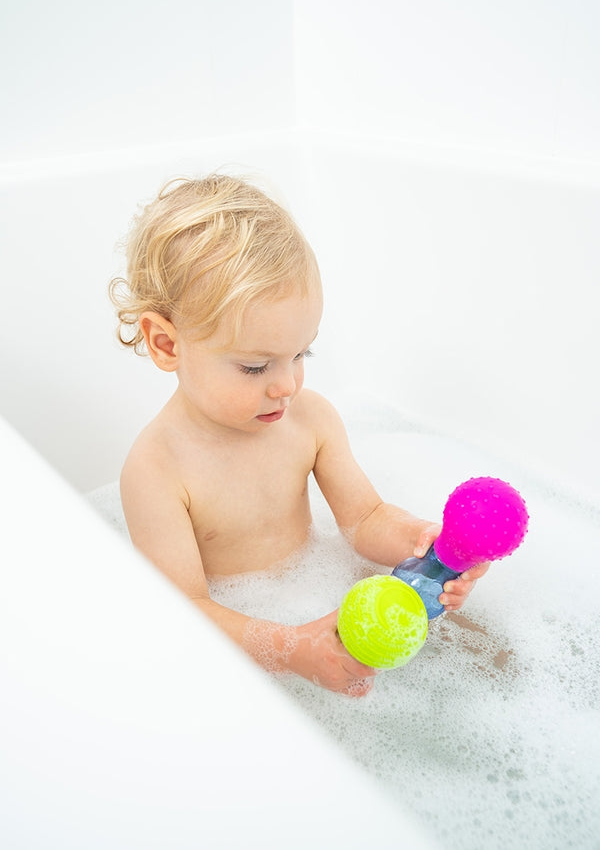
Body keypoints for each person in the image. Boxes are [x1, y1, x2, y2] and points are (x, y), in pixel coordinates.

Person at [109, 174, 488, 697]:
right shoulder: (157, 470)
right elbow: (186, 612)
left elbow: (364, 520)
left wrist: (430, 547)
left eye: (300, 354)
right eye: (255, 367)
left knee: (487, 650)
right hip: (245, 649)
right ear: (166, 343)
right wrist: (290, 651)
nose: (287, 385)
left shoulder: (309, 419)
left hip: (327, 600)